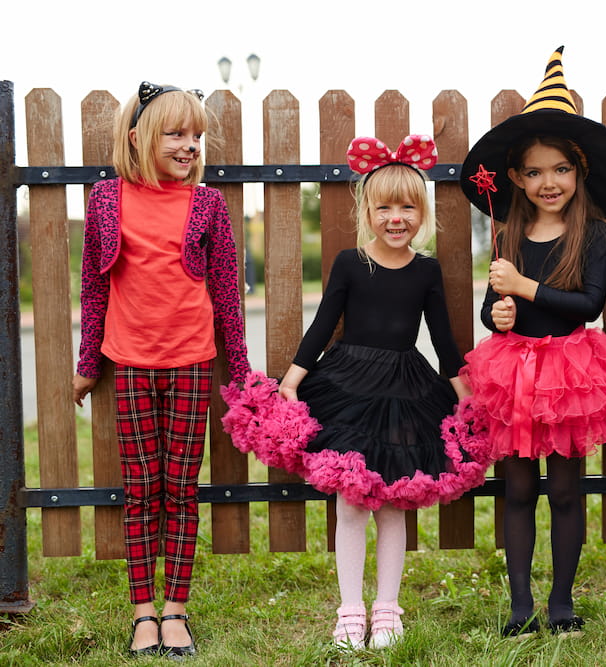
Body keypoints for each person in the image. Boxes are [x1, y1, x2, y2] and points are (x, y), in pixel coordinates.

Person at [225, 134, 491, 650]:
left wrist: (463, 393)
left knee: (393, 503)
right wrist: (293, 381)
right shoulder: (351, 263)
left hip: (406, 391)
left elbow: (443, 340)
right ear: (367, 211)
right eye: (385, 207)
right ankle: (350, 610)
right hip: (346, 384)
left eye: (408, 207)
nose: (397, 217)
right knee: (351, 504)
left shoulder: (426, 270)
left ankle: (387, 611)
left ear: (422, 213)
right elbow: (324, 325)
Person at [459, 47, 606, 638]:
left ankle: (561, 602)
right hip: (514, 373)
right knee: (516, 490)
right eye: (534, 172)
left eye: (560, 169)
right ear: (515, 179)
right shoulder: (509, 230)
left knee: (564, 489)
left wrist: (525, 287)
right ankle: (519, 605)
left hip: (568, 372)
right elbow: (493, 309)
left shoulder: (593, 233)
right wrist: (501, 312)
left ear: (578, 172)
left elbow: (588, 305)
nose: (548, 182)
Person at [72, 81, 250, 657]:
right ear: (138, 138)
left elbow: (227, 289)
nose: (190, 145)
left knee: (180, 486)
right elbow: (94, 286)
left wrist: (241, 369)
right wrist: (85, 361)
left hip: (192, 362)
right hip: (130, 364)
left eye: (196, 136)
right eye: (176, 133)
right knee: (142, 486)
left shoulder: (206, 205)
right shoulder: (107, 200)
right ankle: (142, 611)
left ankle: (177, 608)